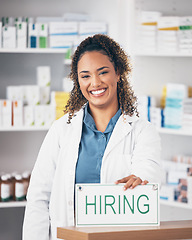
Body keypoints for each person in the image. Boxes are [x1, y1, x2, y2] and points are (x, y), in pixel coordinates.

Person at [23, 34, 161, 240]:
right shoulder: (61, 130)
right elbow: (39, 197)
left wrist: (141, 179)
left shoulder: (142, 131)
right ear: (78, 81)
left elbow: (148, 169)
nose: (95, 83)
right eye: (85, 76)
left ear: (118, 74)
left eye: (103, 72)